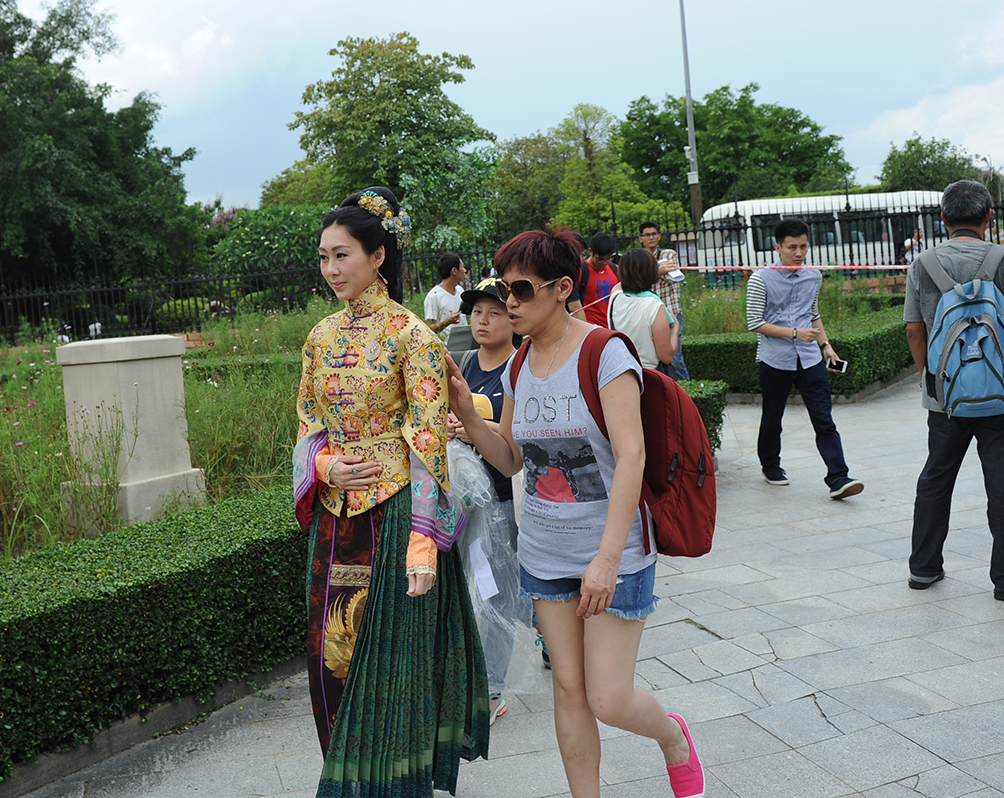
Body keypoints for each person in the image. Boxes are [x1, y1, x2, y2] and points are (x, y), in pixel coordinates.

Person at [446, 228, 704, 798]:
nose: (508, 303)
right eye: (502, 289)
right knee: (568, 689)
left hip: (613, 551)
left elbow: (632, 456)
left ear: (562, 288)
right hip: (544, 552)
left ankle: (672, 737)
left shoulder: (604, 353)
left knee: (608, 697)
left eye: (521, 290)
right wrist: (468, 414)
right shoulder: (517, 366)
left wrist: (606, 560)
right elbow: (511, 459)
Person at [293, 187, 489, 796]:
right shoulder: (319, 337)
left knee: (394, 670)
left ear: (378, 256)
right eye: (323, 257)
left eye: (342, 255)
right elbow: (307, 425)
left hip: (399, 517)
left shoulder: (414, 337)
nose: (331, 269)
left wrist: (424, 548)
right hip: (336, 521)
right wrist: (324, 466)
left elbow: (428, 441)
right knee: (333, 661)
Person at [903, 180, 1004, 600]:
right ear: (989, 217)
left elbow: (915, 329)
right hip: (1001, 393)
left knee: (936, 479)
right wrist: (1001, 324)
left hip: (945, 396)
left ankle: (924, 569)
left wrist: (930, 377)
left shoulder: (923, 264)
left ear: (943, 219)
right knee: (1003, 487)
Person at [447, 276, 528, 724]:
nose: (483, 320)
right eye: (477, 312)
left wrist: (476, 427)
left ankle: (493, 688)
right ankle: (547, 628)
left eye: (495, 312)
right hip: (463, 502)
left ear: (512, 319)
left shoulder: (521, 369)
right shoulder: (462, 363)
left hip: (503, 499)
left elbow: (521, 437)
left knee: (496, 593)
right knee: (473, 588)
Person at [745, 217, 864, 499]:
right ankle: (770, 465)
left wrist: (826, 346)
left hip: (810, 359)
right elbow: (754, 323)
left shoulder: (813, 276)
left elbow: (813, 314)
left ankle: (838, 476)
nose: (799, 253)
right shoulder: (760, 279)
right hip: (775, 360)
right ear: (777, 247)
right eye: (792, 247)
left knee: (824, 419)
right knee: (772, 418)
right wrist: (795, 333)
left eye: (803, 247)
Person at [606, 248, 680, 370]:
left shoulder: (615, 296)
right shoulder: (654, 307)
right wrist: (675, 329)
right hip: (647, 374)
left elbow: (622, 284)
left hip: (621, 370)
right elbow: (666, 356)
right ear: (652, 273)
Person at [640, 221, 690, 379]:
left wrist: (647, 271)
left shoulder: (668, 254)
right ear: (641, 238)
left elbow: (672, 276)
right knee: (654, 359)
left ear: (659, 236)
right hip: (648, 315)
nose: (651, 237)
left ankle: (686, 389)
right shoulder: (640, 257)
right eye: (647, 235)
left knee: (675, 358)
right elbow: (637, 281)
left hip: (671, 312)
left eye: (654, 234)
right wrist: (657, 270)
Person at [423, 252, 470, 347]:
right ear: (454, 271)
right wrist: (447, 322)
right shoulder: (433, 296)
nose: (465, 270)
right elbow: (429, 329)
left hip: (466, 344)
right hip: (446, 349)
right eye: (462, 267)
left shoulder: (460, 290)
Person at [573, 232, 619, 327]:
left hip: (613, 325)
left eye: (608, 259)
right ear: (590, 251)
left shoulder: (615, 269)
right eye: (600, 259)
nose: (604, 263)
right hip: (592, 326)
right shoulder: (581, 272)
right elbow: (575, 306)